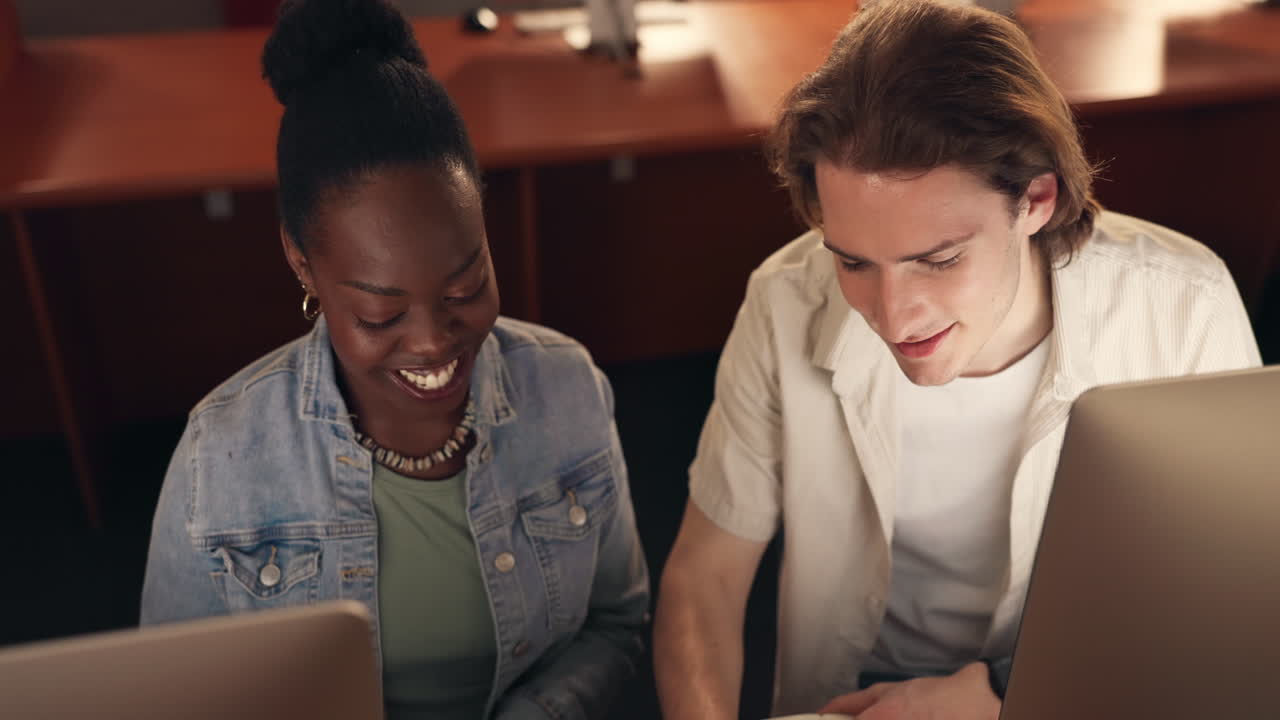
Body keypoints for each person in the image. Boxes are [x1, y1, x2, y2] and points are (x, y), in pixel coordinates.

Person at [652, 1, 1262, 719]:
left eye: (937, 260)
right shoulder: (785, 299)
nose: (892, 313)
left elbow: (1235, 596)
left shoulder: (1184, 307)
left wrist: (999, 687)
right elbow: (704, 582)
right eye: (853, 262)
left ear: (1036, 200)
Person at [140, 1, 649, 718]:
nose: (434, 342)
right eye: (381, 314)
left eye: (466, 287)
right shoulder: (220, 458)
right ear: (303, 263)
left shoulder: (569, 392)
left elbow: (616, 623)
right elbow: (171, 694)